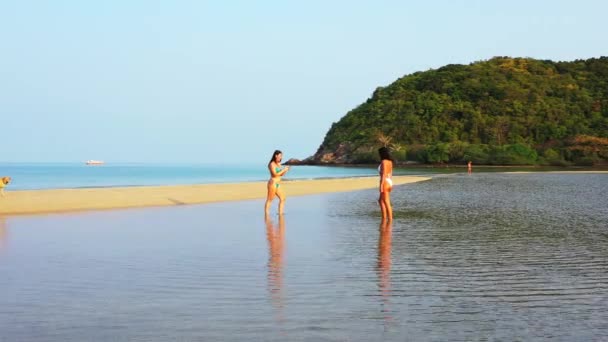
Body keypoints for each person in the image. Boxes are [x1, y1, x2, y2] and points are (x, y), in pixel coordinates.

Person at [265, 150, 290, 215]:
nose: (281, 157)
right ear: (276, 155)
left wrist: (286, 170)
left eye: (282, 156)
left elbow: (281, 174)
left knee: (283, 198)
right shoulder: (271, 164)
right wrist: (283, 169)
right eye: (280, 155)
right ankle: (266, 214)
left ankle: (280, 213)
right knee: (270, 199)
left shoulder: (278, 164)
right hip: (272, 183)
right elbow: (275, 174)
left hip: (277, 184)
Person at [378, 147, 393, 221]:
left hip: (385, 182)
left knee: (386, 202)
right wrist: (391, 184)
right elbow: (390, 174)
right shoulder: (390, 162)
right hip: (389, 181)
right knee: (381, 200)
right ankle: (384, 218)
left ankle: (390, 220)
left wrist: (381, 185)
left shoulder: (384, 161)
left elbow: (383, 174)